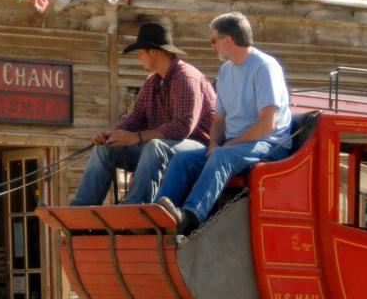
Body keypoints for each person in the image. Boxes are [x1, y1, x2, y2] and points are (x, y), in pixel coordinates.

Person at [155, 12, 292, 236]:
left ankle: (188, 218)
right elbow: (219, 119)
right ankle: (159, 217)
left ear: (228, 40)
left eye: (213, 40)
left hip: (268, 144)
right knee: (181, 160)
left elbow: (268, 123)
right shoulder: (226, 71)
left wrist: (227, 147)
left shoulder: (265, 67)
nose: (213, 46)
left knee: (221, 157)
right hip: (235, 144)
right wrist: (213, 144)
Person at [68, 21, 216, 206]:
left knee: (154, 146)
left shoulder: (186, 78)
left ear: (154, 51)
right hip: (160, 149)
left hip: (200, 149)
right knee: (104, 149)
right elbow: (134, 119)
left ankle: (134, 206)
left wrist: (137, 137)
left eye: (141, 52)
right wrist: (111, 134)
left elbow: (183, 126)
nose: (139, 57)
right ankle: (81, 210)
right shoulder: (152, 82)